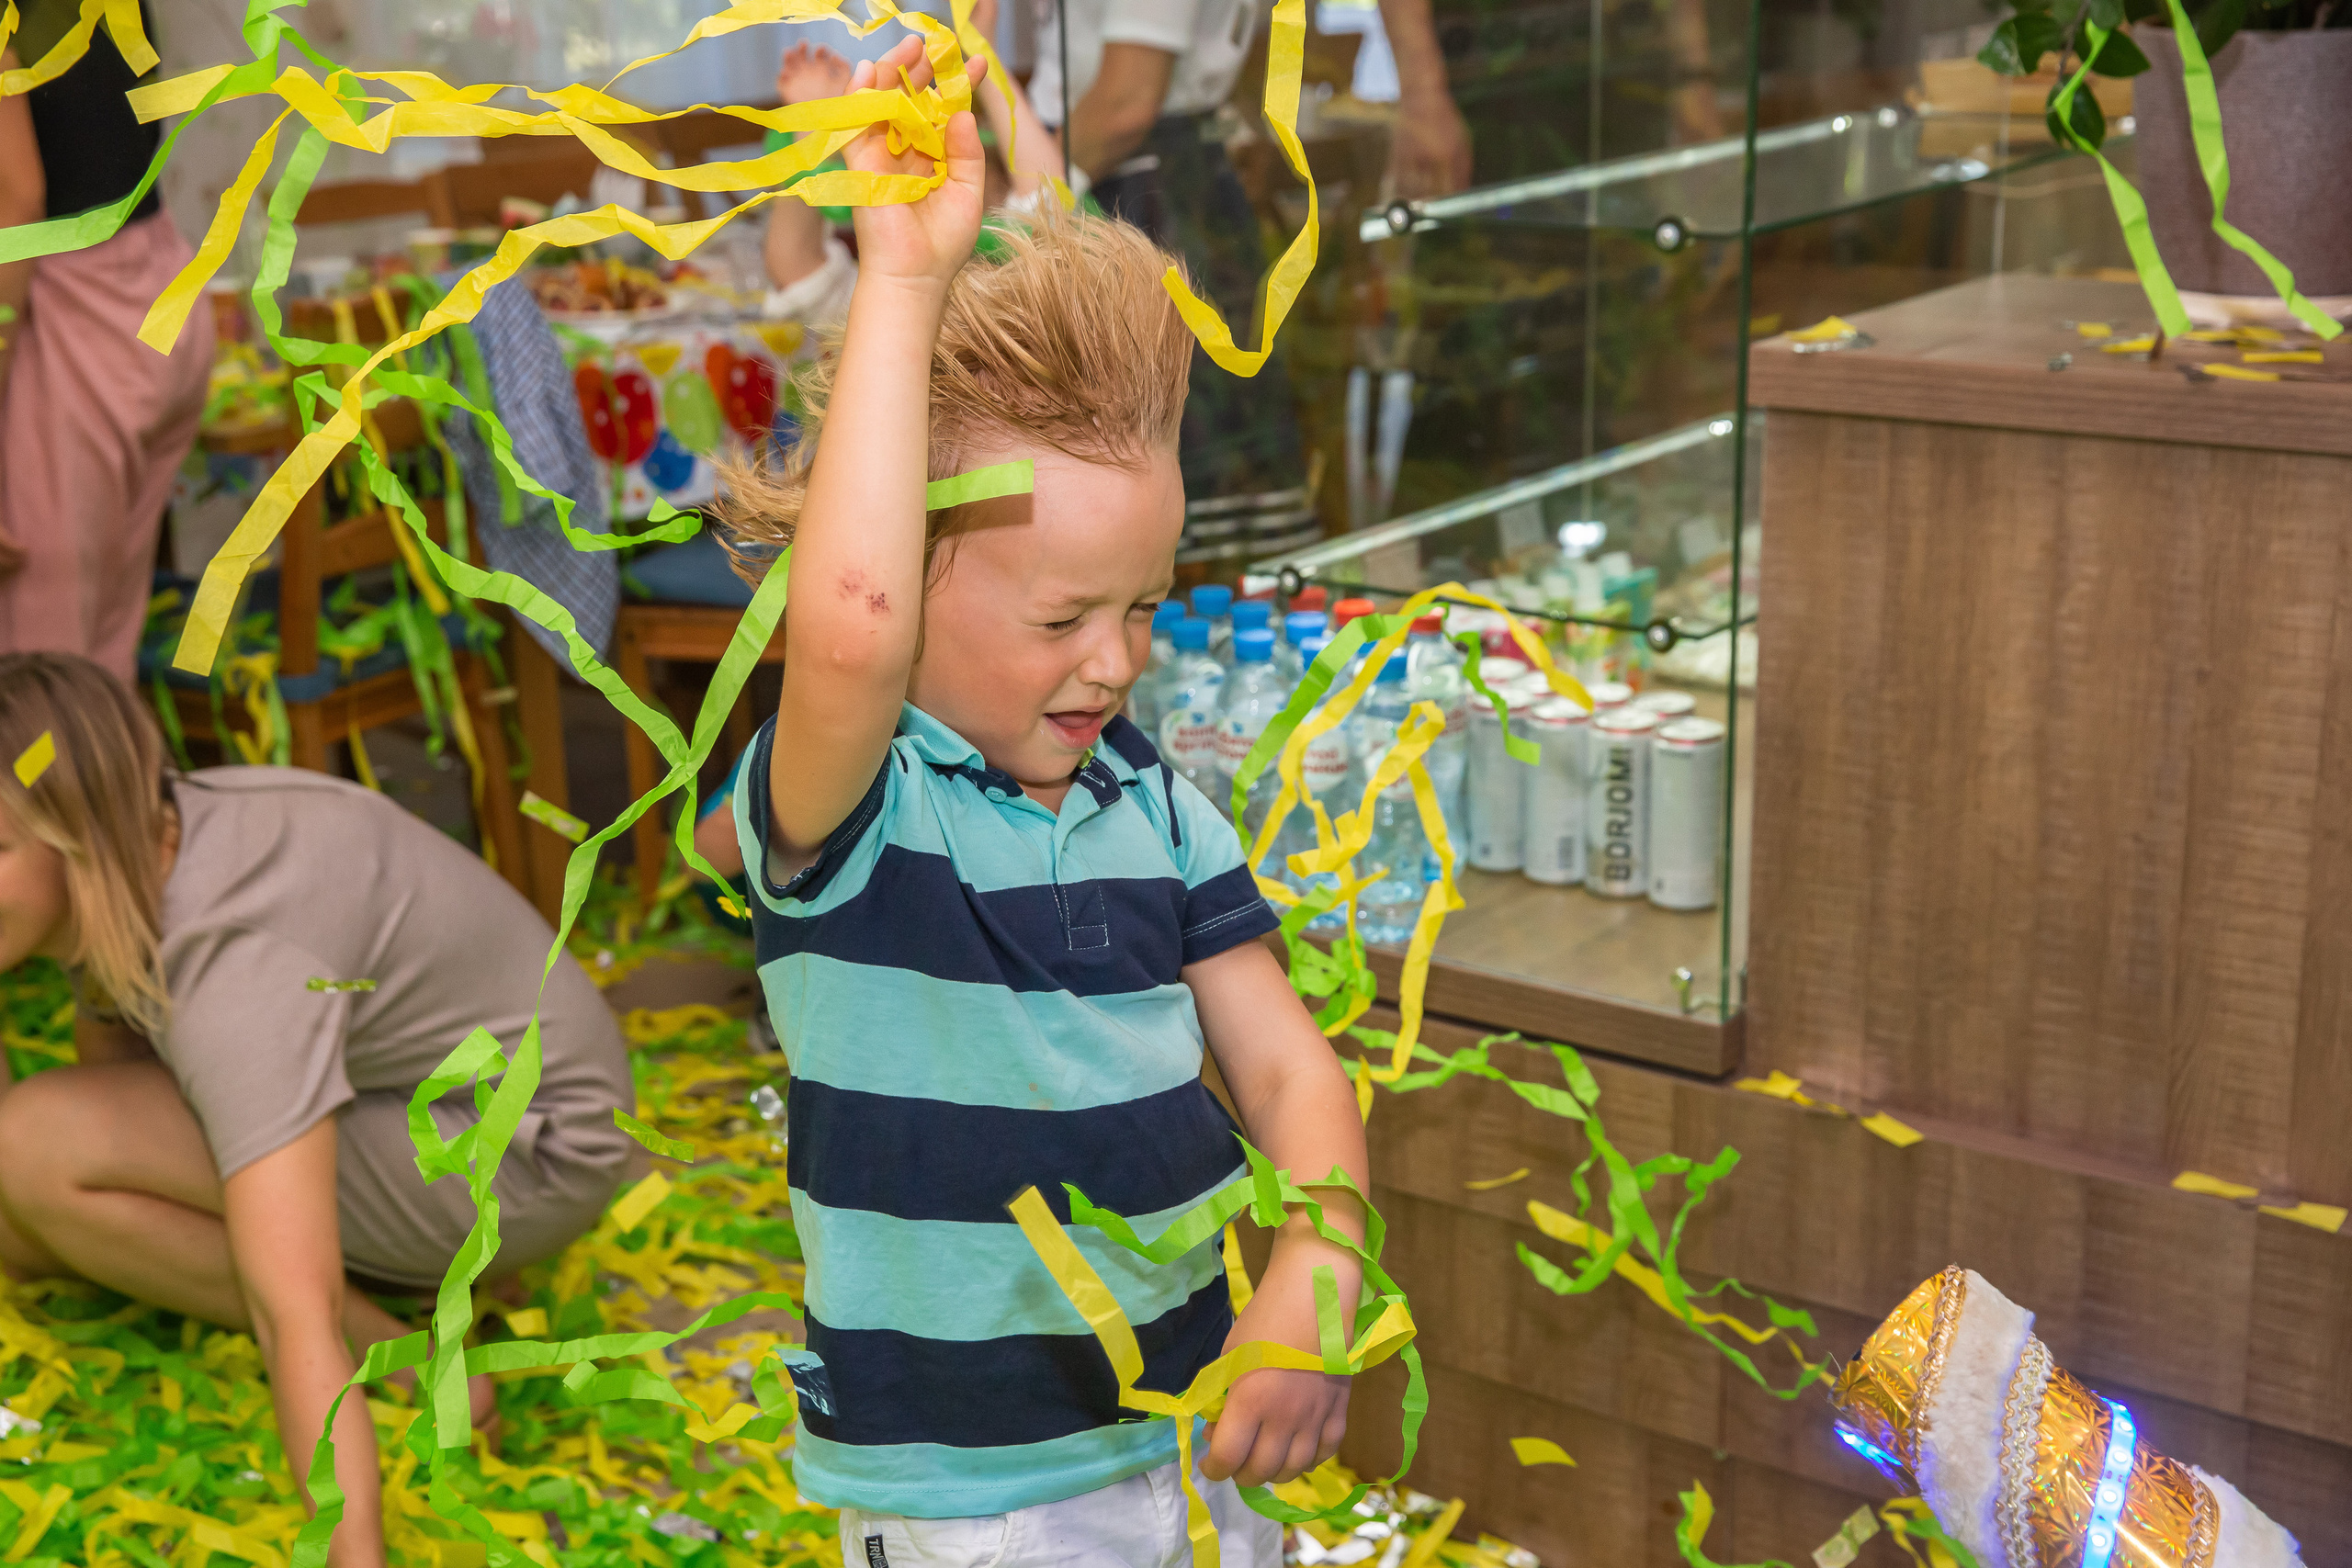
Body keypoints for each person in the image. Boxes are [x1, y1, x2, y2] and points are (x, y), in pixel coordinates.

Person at [713, 33, 1367, 1565]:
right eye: (1063, 616)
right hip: (980, 1507)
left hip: (1197, 1438)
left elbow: (1289, 1076)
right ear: (917, 577)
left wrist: (1318, 1276)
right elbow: (855, 620)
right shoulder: (858, 816)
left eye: (1142, 608)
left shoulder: (1150, 797)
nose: (1113, 662)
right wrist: (898, 278)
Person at [0, 654, 636, 1568]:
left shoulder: (238, 961)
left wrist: (352, 1553)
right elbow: (111, 1061)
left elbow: (290, 1308)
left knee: (36, 1148)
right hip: (447, 1100)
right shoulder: (157, 837)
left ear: (79, 844)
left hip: (523, 1157)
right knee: (27, 1212)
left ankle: (408, 1360)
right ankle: (396, 1321)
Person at [1030, 0, 1312, 551]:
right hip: (1137, 174)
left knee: (1169, 480)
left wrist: (1027, 203)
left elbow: (1126, 102)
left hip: (1132, 190)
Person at [0, 5, 214, 679]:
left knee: (38, 690)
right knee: (96, 671)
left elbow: (14, 201)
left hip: (66, 314)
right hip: (154, 284)